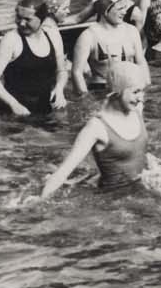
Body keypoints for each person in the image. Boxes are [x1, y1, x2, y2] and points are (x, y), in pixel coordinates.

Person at [40, 61, 151, 197]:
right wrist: (39, 201)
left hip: (141, 189)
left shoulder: (137, 110)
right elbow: (63, 171)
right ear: (117, 91)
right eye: (135, 92)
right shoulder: (97, 127)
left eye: (142, 91)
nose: (141, 98)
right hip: (115, 201)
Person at [0, 0, 69, 117]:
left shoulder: (53, 35)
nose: (21, 23)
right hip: (14, 112)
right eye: (18, 17)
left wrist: (59, 89)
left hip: (44, 107)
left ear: (42, 18)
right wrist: (14, 104)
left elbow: (62, 71)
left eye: (28, 19)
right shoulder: (11, 40)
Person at [70, 0, 147, 95]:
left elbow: (141, 62)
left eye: (125, 8)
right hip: (100, 90)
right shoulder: (88, 36)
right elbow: (77, 72)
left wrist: (144, 85)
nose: (125, 12)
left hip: (129, 87)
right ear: (106, 11)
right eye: (120, 9)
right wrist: (86, 99)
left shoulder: (131, 31)